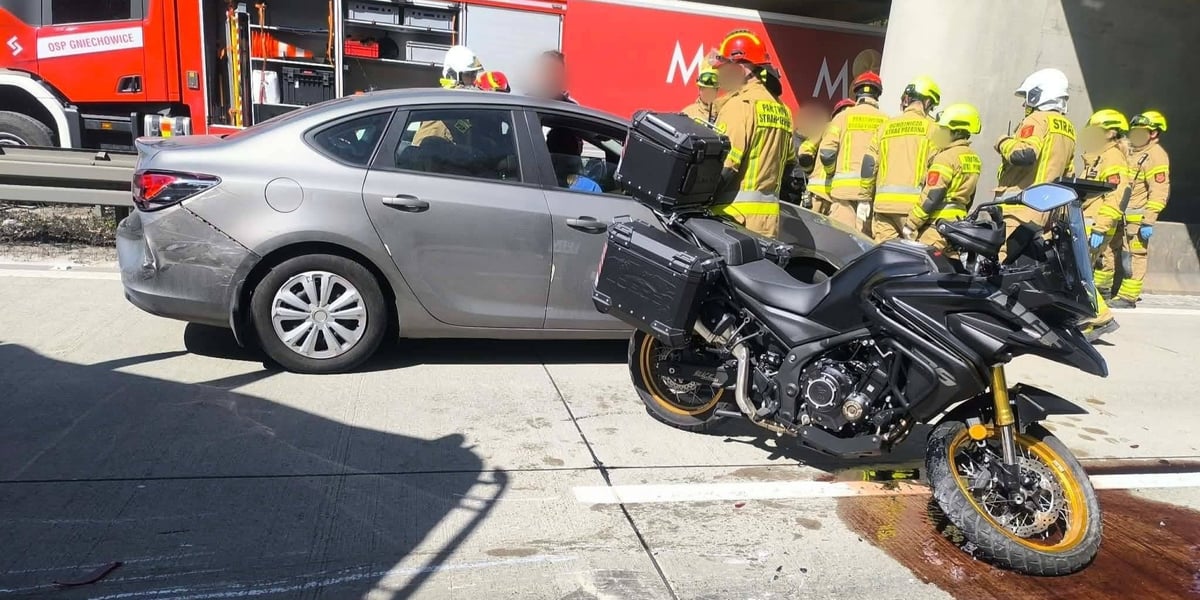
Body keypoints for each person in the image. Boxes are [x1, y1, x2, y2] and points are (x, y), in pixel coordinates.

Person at [708, 29, 795, 238]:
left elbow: (726, 165)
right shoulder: (782, 108)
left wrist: (700, 200)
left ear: (741, 67)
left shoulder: (740, 105)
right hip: (768, 223)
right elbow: (790, 165)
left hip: (734, 220)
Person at [994, 68, 1076, 240]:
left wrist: (1003, 141)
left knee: (1003, 262)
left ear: (1039, 95)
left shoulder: (1037, 119)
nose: (1025, 104)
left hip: (1019, 212)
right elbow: (1069, 174)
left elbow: (1024, 154)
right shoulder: (1068, 128)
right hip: (1046, 213)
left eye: (1027, 98)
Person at [862, 76, 942, 242]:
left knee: (884, 258)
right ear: (927, 103)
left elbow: (869, 165)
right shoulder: (933, 130)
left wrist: (864, 199)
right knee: (910, 262)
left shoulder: (885, 127)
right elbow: (938, 173)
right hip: (913, 212)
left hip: (883, 207)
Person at [1108, 111, 1170, 308]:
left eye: (1140, 131)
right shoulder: (1133, 152)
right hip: (1120, 215)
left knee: (1135, 256)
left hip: (1137, 219)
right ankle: (1104, 290)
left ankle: (1128, 297)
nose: (1135, 135)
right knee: (1110, 251)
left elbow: (1159, 190)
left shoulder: (1156, 156)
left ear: (1153, 133)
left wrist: (1148, 220)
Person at [1077, 109, 1130, 340]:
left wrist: (1101, 227)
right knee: (1080, 271)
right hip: (1087, 221)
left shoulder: (1113, 158)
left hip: (1095, 224)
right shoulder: (1097, 156)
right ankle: (1090, 316)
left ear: (1110, 132)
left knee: (1080, 273)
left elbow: (1117, 195)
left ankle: (1099, 317)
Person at [906, 103, 982, 250]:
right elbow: (970, 196)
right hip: (959, 226)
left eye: (943, 129)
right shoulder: (973, 157)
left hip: (937, 227)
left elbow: (933, 195)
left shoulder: (945, 158)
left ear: (955, 131)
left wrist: (912, 224)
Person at [819, 72, 887, 234]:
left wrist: (830, 174)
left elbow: (827, 153)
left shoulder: (842, 117)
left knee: (840, 242)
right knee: (865, 245)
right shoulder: (886, 121)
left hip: (843, 193)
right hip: (871, 194)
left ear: (856, 93)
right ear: (877, 94)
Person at [414, 45, 485, 147]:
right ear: (452, 74)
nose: (473, 80)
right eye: (468, 74)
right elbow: (423, 154)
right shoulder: (442, 110)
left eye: (474, 74)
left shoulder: (458, 107)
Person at [798, 99, 852, 216]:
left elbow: (804, 153)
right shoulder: (851, 134)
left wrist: (809, 172)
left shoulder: (826, 128)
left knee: (807, 230)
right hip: (837, 196)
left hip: (818, 191)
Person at [546, 128, 602, 193]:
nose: (582, 143)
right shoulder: (591, 188)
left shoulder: (536, 181)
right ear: (576, 150)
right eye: (579, 141)